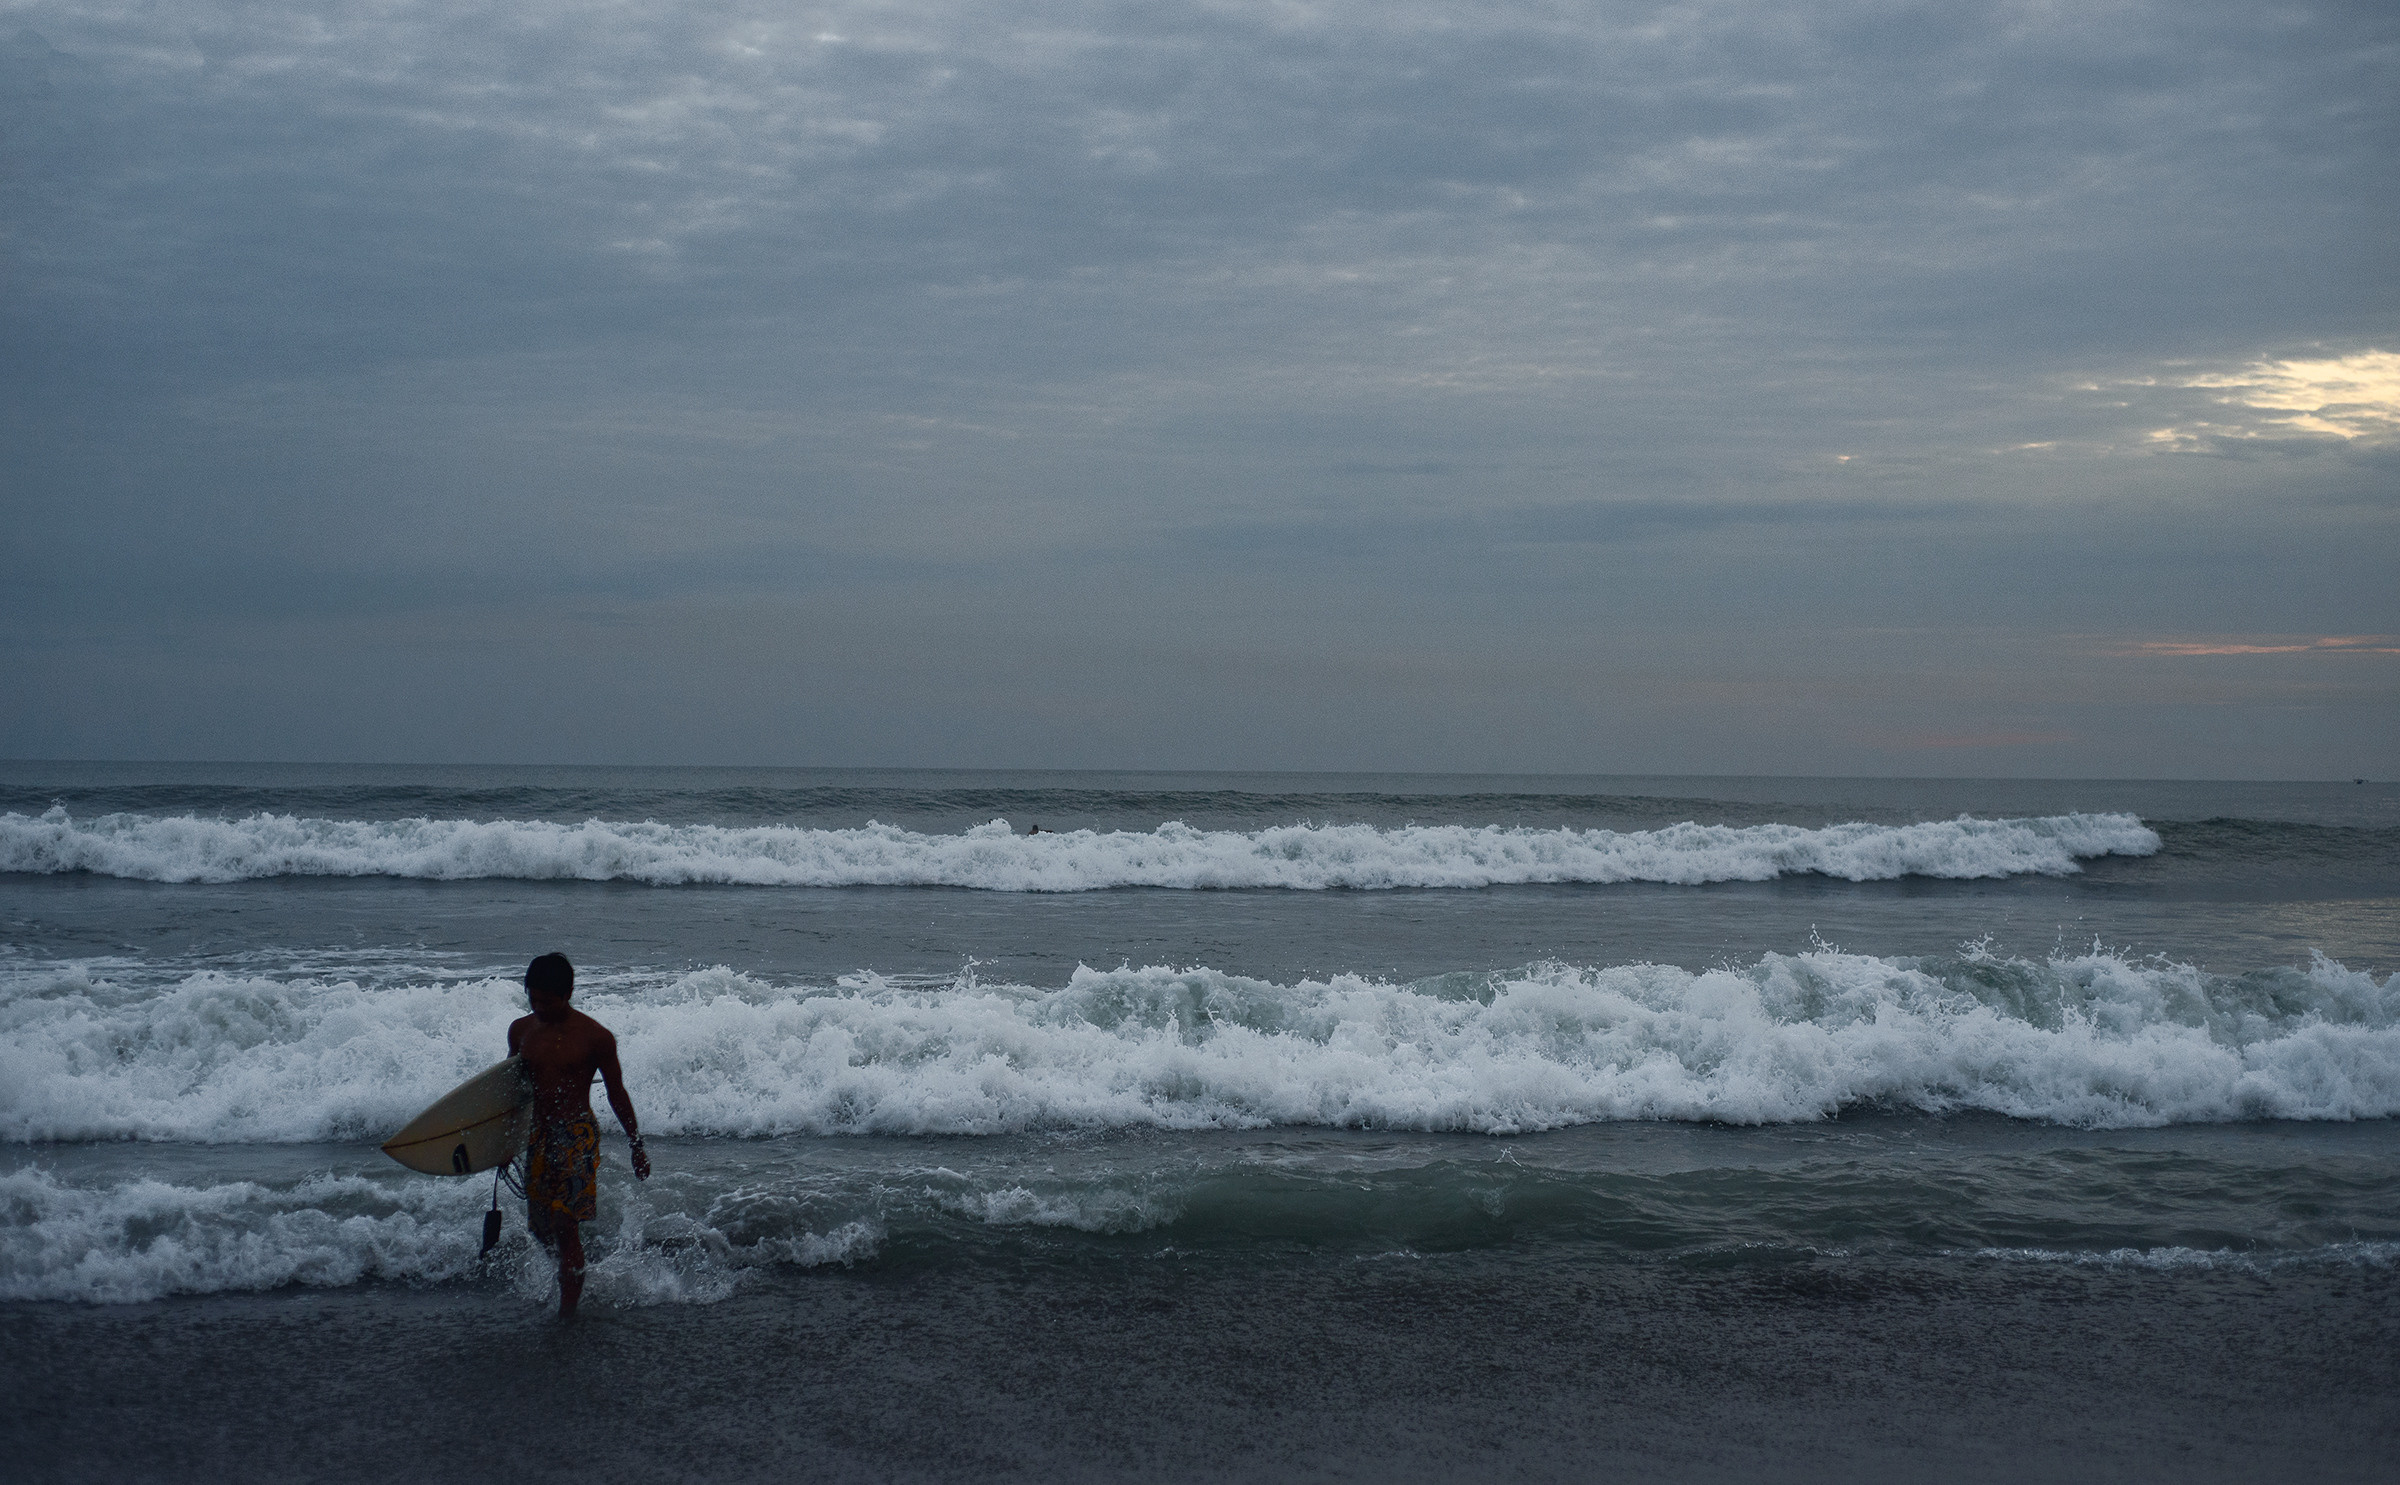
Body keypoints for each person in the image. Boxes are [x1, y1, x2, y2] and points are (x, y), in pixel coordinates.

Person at [507, 952, 649, 1317]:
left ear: (567, 993)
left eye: (547, 1002)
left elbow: (616, 1092)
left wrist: (636, 1144)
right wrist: (501, 1142)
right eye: (533, 999)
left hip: (576, 1136)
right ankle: (572, 1271)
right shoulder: (520, 1031)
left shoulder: (595, 1037)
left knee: (565, 1225)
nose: (538, 1008)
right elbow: (511, 1091)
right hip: (536, 1136)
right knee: (540, 1228)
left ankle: (567, 1312)